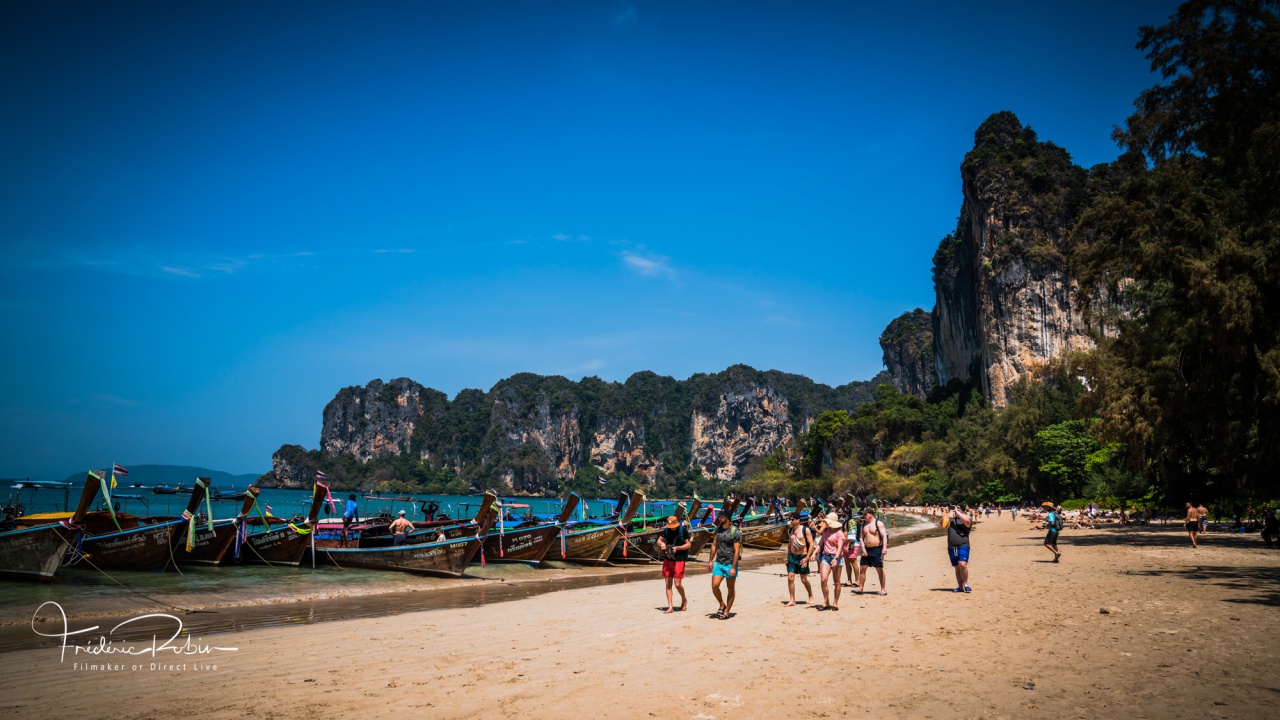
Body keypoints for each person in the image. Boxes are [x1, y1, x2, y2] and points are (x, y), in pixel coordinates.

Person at [707, 513, 741, 619]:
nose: (719, 518)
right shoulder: (718, 529)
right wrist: (710, 560)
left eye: (721, 517)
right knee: (714, 586)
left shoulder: (735, 531)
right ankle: (722, 604)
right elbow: (714, 545)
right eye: (719, 517)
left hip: (730, 563)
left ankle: (726, 612)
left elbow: (737, 550)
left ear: (727, 518)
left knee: (730, 588)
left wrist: (733, 567)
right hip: (719, 562)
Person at [656, 515, 692, 613]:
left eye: (673, 526)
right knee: (668, 584)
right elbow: (659, 540)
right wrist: (662, 544)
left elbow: (688, 544)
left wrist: (677, 548)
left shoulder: (682, 530)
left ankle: (684, 599)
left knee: (677, 584)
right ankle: (670, 607)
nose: (672, 528)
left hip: (679, 558)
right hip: (668, 558)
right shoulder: (666, 530)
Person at [816, 512, 846, 610]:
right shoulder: (826, 531)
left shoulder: (839, 533)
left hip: (836, 557)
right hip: (826, 556)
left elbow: (840, 547)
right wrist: (814, 553)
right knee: (823, 579)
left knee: (836, 581)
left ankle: (835, 603)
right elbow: (820, 543)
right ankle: (826, 602)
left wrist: (836, 558)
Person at [784, 514, 815, 606]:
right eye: (790, 519)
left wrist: (807, 558)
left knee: (804, 580)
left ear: (798, 520)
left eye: (792, 519)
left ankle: (810, 595)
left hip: (802, 556)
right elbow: (789, 545)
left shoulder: (805, 530)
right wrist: (788, 558)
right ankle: (792, 600)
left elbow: (811, 544)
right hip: (792, 557)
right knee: (790, 578)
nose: (790, 521)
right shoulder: (790, 530)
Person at [858, 508, 888, 595]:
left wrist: (884, 548)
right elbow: (861, 537)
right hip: (866, 549)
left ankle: (883, 589)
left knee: (879, 569)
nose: (864, 516)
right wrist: (863, 549)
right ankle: (860, 588)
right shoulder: (864, 524)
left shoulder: (878, 523)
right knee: (862, 568)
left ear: (870, 514)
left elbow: (884, 536)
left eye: (865, 514)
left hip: (876, 548)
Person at [946, 506, 973, 592]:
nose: (955, 510)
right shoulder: (950, 520)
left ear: (963, 511)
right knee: (957, 567)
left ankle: (966, 584)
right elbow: (941, 523)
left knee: (962, 564)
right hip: (952, 546)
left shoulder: (966, 520)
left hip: (963, 545)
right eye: (955, 509)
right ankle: (960, 587)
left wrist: (958, 512)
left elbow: (967, 522)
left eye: (958, 508)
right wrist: (945, 513)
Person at [843, 514, 861, 591]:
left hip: (852, 543)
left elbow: (852, 533)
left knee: (853, 562)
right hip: (845, 543)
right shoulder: (846, 521)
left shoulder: (851, 521)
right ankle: (849, 580)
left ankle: (857, 581)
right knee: (847, 562)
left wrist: (848, 545)